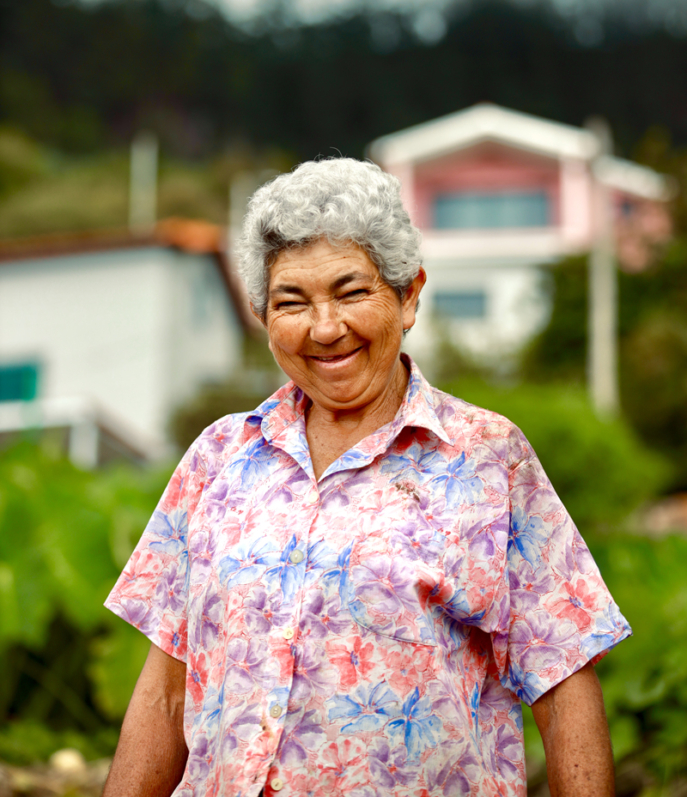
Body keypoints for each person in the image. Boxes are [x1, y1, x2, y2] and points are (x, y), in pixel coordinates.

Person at [103, 158, 630, 797]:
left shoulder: (489, 459)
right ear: (264, 319)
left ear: (408, 296)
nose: (326, 328)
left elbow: (563, 680)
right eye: (291, 302)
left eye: (351, 292)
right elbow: (165, 694)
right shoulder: (217, 458)